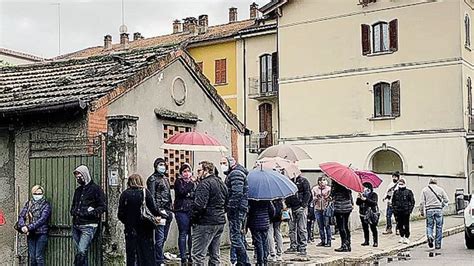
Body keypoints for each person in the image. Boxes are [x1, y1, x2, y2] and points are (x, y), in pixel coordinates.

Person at [118, 174, 160, 266]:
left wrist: (128, 221)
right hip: (145, 228)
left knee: (131, 254)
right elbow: (154, 209)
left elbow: (120, 214)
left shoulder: (125, 194)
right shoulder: (145, 192)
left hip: (130, 229)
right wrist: (158, 216)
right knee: (146, 254)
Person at [191, 161, 228, 264]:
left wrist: (193, 218)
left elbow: (199, 206)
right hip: (219, 221)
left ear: (206, 170)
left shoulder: (205, 184)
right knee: (215, 254)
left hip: (205, 222)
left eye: (199, 171)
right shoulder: (220, 182)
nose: (197, 173)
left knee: (198, 255)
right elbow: (227, 201)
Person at [70, 165, 107, 266]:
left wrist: (91, 212)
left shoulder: (96, 189)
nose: (78, 179)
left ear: (85, 175)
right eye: (77, 177)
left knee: (81, 252)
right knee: (81, 252)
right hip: (76, 224)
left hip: (89, 225)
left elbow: (103, 207)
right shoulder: (78, 191)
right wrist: (74, 211)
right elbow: (73, 205)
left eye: (80, 176)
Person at [221, 156, 250, 265]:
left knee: (236, 237)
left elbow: (237, 193)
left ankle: (243, 262)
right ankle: (241, 261)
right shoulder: (233, 174)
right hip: (238, 208)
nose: (222, 165)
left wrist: (230, 207)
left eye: (224, 163)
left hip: (237, 210)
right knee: (237, 236)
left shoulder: (235, 174)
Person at [147, 158, 173, 265]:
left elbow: (168, 195)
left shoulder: (165, 178)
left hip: (168, 210)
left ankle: (159, 256)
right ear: (156, 166)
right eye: (160, 164)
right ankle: (158, 260)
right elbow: (152, 197)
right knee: (159, 238)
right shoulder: (152, 179)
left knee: (163, 238)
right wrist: (156, 212)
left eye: (164, 165)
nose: (163, 167)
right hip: (159, 211)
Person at [17, 185, 52, 266]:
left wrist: (28, 227)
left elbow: (42, 220)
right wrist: (22, 226)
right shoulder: (29, 203)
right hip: (31, 234)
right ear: (32, 193)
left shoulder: (46, 205)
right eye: (35, 193)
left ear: (43, 194)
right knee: (32, 257)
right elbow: (21, 216)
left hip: (41, 234)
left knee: (38, 257)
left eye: (39, 193)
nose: (37, 195)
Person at [174, 163, 197, 264]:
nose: (186, 173)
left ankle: (191, 254)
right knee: (183, 232)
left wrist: (189, 193)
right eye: (184, 171)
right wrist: (190, 185)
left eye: (188, 171)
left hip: (191, 210)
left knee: (190, 234)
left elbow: (194, 194)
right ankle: (183, 255)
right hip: (181, 210)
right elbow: (182, 192)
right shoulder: (178, 182)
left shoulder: (195, 183)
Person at [284, 173, 311, 256]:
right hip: (291, 208)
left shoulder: (303, 181)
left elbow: (308, 194)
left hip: (300, 208)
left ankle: (303, 247)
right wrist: (287, 206)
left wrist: (303, 206)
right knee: (292, 229)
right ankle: (293, 245)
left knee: (302, 228)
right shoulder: (288, 181)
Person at [420, 178, 449, 249]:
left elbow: (422, 202)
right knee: (439, 227)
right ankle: (438, 244)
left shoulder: (424, 190)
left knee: (429, 226)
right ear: (436, 183)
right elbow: (446, 200)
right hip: (438, 210)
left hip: (429, 210)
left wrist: (422, 211)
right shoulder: (440, 189)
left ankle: (430, 236)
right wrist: (441, 205)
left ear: (429, 182)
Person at [247, 199, 275, 265]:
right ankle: (265, 259)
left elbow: (249, 212)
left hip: (255, 224)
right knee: (264, 242)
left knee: (258, 243)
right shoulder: (266, 199)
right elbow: (272, 211)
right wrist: (268, 218)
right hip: (265, 223)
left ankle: (260, 261)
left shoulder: (252, 200)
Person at [391, 178, 415, 244]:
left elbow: (412, 201)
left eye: (402, 184)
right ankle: (401, 236)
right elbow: (393, 201)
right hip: (398, 211)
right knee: (399, 224)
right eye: (399, 184)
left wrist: (410, 210)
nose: (400, 185)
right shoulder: (396, 192)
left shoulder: (408, 192)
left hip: (406, 211)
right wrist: (394, 209)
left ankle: (407, 237)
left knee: (406, 224)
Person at [331, 181, 353, 252]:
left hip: (340, 208)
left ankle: (344, 245)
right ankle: (348, 244)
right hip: (348, 207)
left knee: (341, 227)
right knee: (346, 226)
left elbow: (333, 195)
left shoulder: (336, 185)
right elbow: (350, 195)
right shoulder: (347, 184)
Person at [356, 182, 379, 247]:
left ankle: (375, 242)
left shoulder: (374, 194)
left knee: (373, 228)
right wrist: (359, 198)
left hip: (371, 214)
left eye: (364, 188)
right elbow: (357, 203)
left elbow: (374, 203)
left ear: (368, 189)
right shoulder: (362, 194)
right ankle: (366, 241)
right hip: (363, 213)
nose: (363, 189)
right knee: (365, 228)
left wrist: (365, 199)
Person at [312, 176, 332, 247]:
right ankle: (322, 240)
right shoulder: (315, 189)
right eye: (320, 181)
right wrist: (316, 198)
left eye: (323, 180)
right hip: (317, 209)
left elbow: (331, 199)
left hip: (326, 209)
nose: (322, 182)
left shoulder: (329, 189)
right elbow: (312, 198)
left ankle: (329, 241)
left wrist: (327, 198)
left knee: (327, 225)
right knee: (320, 226)